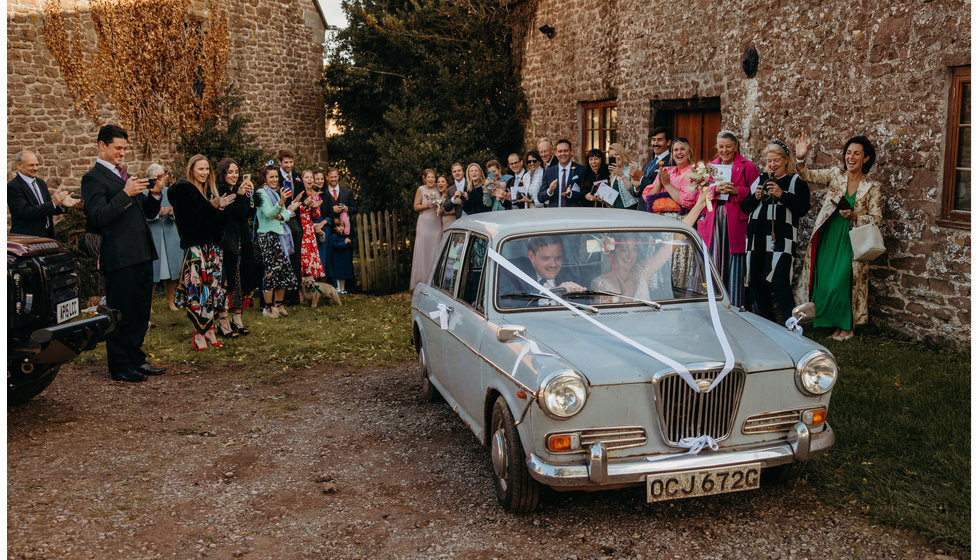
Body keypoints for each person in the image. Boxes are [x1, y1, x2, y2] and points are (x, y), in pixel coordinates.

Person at [80, 124, 165, 382]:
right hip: (119, 256)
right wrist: (126, 193)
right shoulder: (93, 178)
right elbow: (97, 216)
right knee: (121, 312)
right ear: (102, 146)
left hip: (141, 252)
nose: (122, 152)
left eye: (124, 148)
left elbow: (147, 213)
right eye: (118, 148)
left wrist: (155, 193)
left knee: (140, 310)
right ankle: (119, 366)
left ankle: (136, 358)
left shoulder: (123, 175)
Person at [794, 133, 883, 341]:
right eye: (848, 153)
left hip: (851, 238)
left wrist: (855, 216)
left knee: (843, 281)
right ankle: (835, 325)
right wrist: (800, 158)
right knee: (826, 281)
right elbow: (806, 175)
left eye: (857, 154)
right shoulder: (836, 175)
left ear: (866, 158)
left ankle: (848, 327)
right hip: (829, 234)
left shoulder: (872, 186)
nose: (851, 157)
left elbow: (877, 218)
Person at [167, 155, 237, 350]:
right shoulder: (184, 191)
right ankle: (198, 334)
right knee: (198, 292)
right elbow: (190, 224)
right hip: (196, 247)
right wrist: (212, 208)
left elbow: (216, 225)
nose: (205, 173)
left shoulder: (207, 192)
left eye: (207, 169)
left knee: (213, 290)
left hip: (213, 248)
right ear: (191, 170)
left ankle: (210, 331)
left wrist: (220, 209)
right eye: (201, 169)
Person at [740, 140, 811, 324]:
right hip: (757, 240)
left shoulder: (795, 181)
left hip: (781, 239)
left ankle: (792, 324)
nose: (772, 165)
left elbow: (802, 208)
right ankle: (768, 324)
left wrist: (782, 194)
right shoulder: (761, 179)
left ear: (786, 160)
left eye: (776, 160)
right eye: (769, 161)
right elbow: (745, 208)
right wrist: (754, 197)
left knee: (779, 283)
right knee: (756, 283)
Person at [697, 131, 758, 308]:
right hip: (714, 218)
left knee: (734, 262)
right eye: (721, 146)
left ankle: (734, 305)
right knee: (714, 259)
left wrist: (737, 191)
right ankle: (713, 304)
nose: (724, 150)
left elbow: (756, 194)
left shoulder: (748, 166)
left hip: (735, 221)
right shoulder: (711, 166)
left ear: (736, 146)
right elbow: (700, 194)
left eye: (728, 146)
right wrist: (715, 190)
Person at [216, 157, 258, 336]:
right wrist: (239, 196)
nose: (234, 176)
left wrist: (249, 196)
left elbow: (248, 213)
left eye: (236, 172)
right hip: (226, 240)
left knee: (241, 279)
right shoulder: (219, 191)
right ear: (223, 174)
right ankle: (223, 320)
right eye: (229, 172)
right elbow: (229, 214)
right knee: (226, 280)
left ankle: (237, 318)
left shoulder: (241, 189)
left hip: (242, 240)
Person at [255, 164, 299, 318]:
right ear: (265, 179)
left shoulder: (275, 193)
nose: (274, 179)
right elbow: (269, 214)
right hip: (268, 237)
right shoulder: (261, 193)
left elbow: (282, 217)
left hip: (280, 235)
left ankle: (279, 304)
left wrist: (290, 209)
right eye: (271, 177)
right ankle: (267, 308)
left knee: (283, 270)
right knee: (271, 272)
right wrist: (281, 202)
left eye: (276, 177)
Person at [8, 150, 79, 237]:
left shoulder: (40, 183)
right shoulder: (13, 186)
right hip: (27, 239)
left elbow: (47, 209)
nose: (35, 168)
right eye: (31, 165)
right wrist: (53, 203)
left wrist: (61, 205)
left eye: (37, 165)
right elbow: (25, 212)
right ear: (18, 165)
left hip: (47, 236)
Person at [499, 235, 586, 303]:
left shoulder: (573, 275)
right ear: (532, 256)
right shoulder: (512, 273)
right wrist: (552, 295)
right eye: (546, 258)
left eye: (558, 258)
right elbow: (508, 303)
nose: (553, 264)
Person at [144, 164, 182, 311]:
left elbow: (179, 214)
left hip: (169, 235)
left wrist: (172, 213)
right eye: (156, 177)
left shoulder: (169, 192)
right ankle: (150, 304)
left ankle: (171, 302)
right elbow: (142, 216)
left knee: (171, 272)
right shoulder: (143, 193)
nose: (160, 180)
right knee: (153, 272)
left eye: (162, 176)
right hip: (153, 236)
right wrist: (157, 213)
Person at [409, 169, 444, 290]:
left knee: (435, 248)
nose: (431, 179)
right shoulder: (421, 189)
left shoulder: (438, 188)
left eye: (433, 177)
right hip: (424, 223)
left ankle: (434, 280)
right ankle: (421, 280)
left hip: (436, 222)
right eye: (428, 177)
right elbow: (415, 206)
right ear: (424, 178)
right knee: (423, 250)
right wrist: (427, 205)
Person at [277, 150, 304, 305]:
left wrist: (306, 202)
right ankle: (283, 296)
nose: (289, 165)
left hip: (295, 222)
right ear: (280, 162)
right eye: (286, 162)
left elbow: (303, 197)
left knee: (296, 258)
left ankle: (295, 295)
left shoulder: (297, 177)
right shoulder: (276, 177)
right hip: (281, 220)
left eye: (291, 162)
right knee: (283, 258)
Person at [645, 138, 695, 216]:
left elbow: (688, 201)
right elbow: (648, 197)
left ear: (689, 152)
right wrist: (659, 184)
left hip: (680, 219)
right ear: (672, 154)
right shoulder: (667, 170)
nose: (679, 152)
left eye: (683, 149)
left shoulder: (694, 173)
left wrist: (667, 185)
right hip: (657, 217)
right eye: (675, 150)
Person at [297, 169, 325, 282]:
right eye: (307, 177)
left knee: (309, 260)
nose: (309, 179)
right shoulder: (299, 193)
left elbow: (316, 216)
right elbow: (295, 209)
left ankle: (308, 289)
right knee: (301, 259)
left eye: (311, 178)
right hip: (300, 227)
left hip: (309, 230)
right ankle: (299, 291)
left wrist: (315, 207)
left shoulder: (314, 195)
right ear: (302, 179)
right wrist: (305, 205)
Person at [539, 139, 586, 208]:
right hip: (554, 215)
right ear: (556, 153)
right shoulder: (549, 171)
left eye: (565, 151)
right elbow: (540, 197)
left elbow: (585, 195)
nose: (563, 154)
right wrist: (549, 190)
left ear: (571, 152)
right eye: (560, 151)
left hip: (573, 214)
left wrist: (572, 194)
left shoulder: (581, 170)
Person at [636, 127, 673, 206]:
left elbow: (661, 186)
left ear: (668, 142)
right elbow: (639, 192)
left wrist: (641, 178)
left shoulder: (671, 162)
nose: (655, 143)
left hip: (656, 208)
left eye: (659, 140)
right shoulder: (647, 164)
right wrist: (636, 187)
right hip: (642, 209)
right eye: (653, 140)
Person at [604, 143, 642, 209]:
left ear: (622, 154)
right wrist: (604, 199)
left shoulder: (632, 167)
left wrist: (621, 174)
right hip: (617, 210)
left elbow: (634, 190)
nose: (615, 157)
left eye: (617, 154)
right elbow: (614, 199)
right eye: (611, 156)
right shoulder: (613, 173)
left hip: (631, 209)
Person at [323, 167, 356, 233]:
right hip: (329, 230)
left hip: (344, 232)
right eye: (331, 177)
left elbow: (355, 209)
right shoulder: (323, 193)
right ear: (327, 177)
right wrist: (332, 209)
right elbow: (321, 212)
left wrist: (347, 209)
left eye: (335, 177)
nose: (333, 179)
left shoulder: (347, 192)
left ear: (338, 177)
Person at [326, 219, 355, 294]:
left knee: (343, 274)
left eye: (342, 226)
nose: (341, 228)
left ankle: (342, 289)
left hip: (344, 258)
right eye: (339, 226)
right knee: (338, 274)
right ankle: (338, 288)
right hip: (337, 259)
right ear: (335, 227)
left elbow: (349, 246)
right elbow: (335, 246)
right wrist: (344, 243)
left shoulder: (344, 236)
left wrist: (349, 242)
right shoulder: (333, 237)